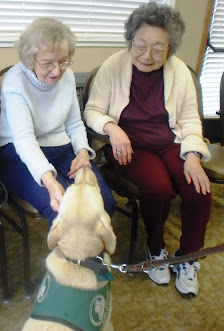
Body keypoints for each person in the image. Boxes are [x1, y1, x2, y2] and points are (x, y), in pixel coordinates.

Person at [84, 2, 211, 297]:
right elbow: (93, 111)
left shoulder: (180, 72)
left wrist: (192, 155)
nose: (148, 55)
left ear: (171, 47)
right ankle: (155, 249)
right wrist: (113, 129)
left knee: (199, 190)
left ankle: (188, 258)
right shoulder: (113, 66)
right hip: (130, 146)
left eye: (158, 48)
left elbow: (191, 120)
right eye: (140, 45)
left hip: (171, 142)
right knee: (157, 189)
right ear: (130, 40)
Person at [0, 17, 116, 229]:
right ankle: (72, 261)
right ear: (30, 59)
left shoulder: (67, 76)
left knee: (105, 202)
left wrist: (83, 153)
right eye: (48, 63)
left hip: (62, 148)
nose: (57, 71)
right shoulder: (15, 82)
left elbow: (75, 124)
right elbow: (24, 140)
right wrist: (50, 182)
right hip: (18, 153)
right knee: (65, 213)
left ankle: (90, 258)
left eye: (63, 61)